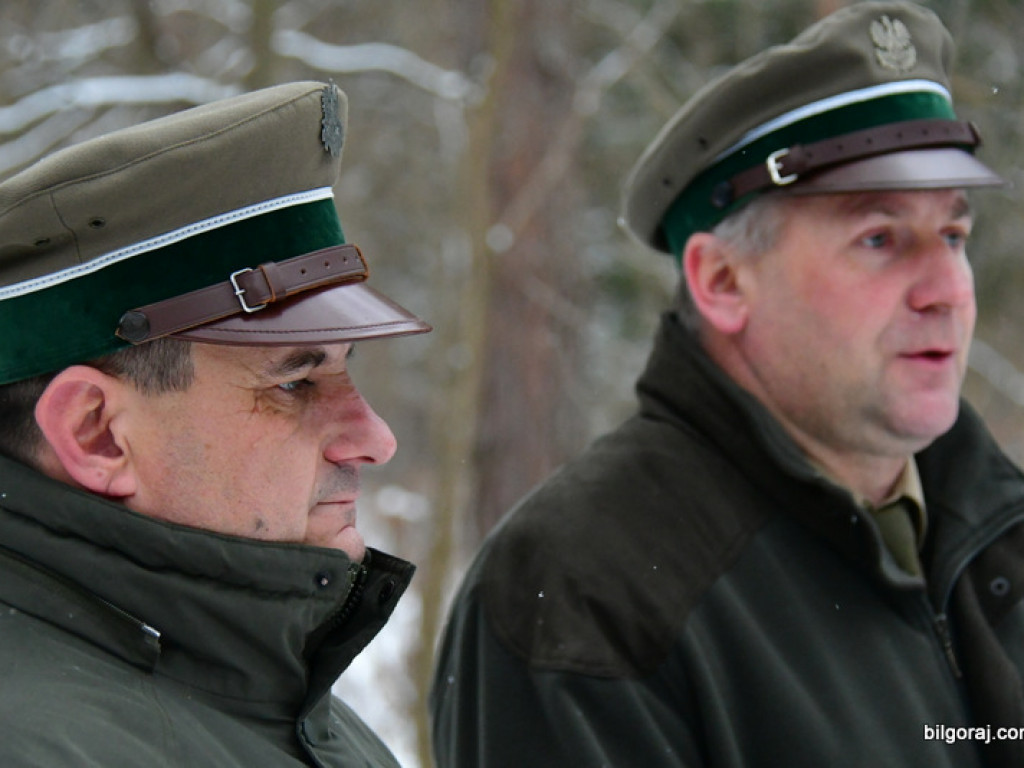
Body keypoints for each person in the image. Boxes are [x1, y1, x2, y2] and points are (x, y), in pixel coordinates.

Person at [430, 3, 1024, 767]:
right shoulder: (588, 593)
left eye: (953, 235)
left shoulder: (995, 529)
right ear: (721, 280)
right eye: (880, 239)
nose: (946, 288)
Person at [0, 81, 430, 766]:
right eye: (295, 382)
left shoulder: (277, 702)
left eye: (347, 372)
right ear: (97, 434)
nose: (376, 438)